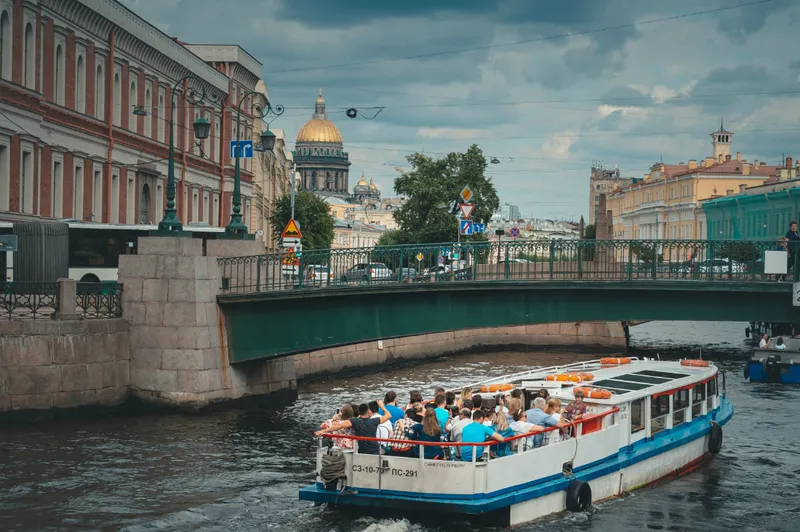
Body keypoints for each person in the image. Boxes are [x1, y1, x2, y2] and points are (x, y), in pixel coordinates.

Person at [315, 401, 392, 455]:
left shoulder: (355, 421)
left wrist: (324, 431)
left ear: (359, 412)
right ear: (368, 411)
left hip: (362, 452)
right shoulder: (374, 421)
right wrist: (382, 407)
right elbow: (388, 415)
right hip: (375, 451)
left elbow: (340, 426)